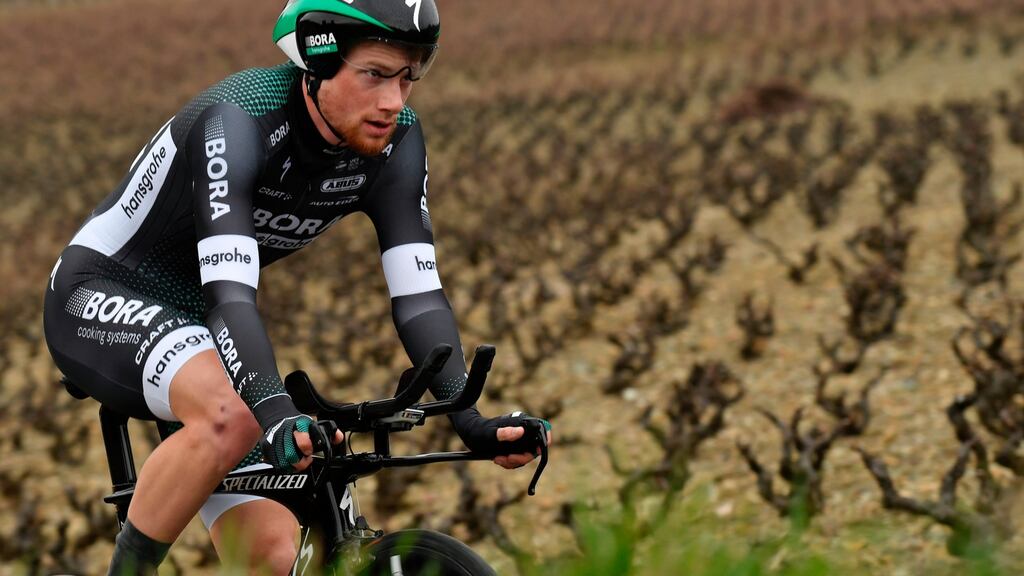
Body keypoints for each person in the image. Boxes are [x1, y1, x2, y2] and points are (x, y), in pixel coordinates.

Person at [43, 1, 551, 573]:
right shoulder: (239, 120)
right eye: (375, 74)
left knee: (274, 558)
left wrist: (471, 420)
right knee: (231, 416)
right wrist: (276, 411)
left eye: (408, 77)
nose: (394, 100)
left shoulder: (396, 141)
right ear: (317, 59)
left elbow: (419, 295)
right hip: (102, 293)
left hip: (202, 327)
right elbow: (229, 295)